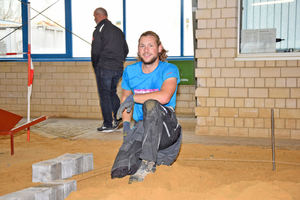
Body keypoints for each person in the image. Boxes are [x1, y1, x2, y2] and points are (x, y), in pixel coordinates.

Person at [111, 31, 182, 184]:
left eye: (151, 45)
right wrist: (126, 130)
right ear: (138, 49)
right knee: (120, 170)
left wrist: (134, 98)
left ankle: (149, 163)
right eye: (142, 46)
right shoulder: (130, 71)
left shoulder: (169, 69)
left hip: (166, 131)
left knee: (151, 104)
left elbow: (164, 97)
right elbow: (125, 99)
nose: (146, 50)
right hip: (142, 128)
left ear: (159, 48)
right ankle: (146, 158)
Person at [91, 7, 129, 132]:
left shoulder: (99, 30)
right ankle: (118, 119)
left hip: (104, 68)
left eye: (94, 17)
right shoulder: (119, 31)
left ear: (98, 16)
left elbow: (95, 51)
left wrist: (96, 66)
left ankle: (107, 124)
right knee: (112, 92)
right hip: (118, 69)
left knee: (104, 96)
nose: (94, 19)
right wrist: (118, 61)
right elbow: (126, 50)